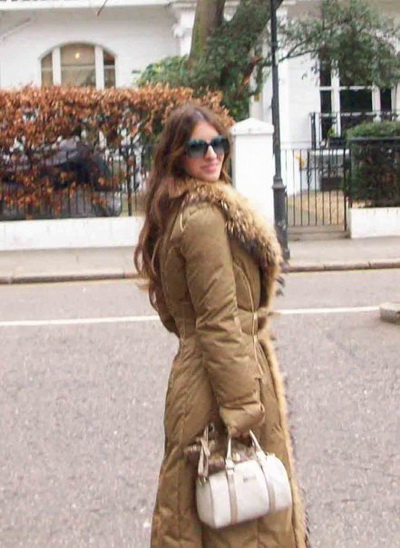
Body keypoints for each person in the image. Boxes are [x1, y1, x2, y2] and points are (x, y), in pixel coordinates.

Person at [134, 103, 307, 547]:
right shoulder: (205, 219)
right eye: (198, 147)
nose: (211, 155)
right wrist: (244, 409)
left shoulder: (179, 211)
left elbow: (176, 316)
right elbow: (217, 322)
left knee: (201, 515)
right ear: (178, 154)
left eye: (218, 144)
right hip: (222, 386)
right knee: (243, 522)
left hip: (202, 377)